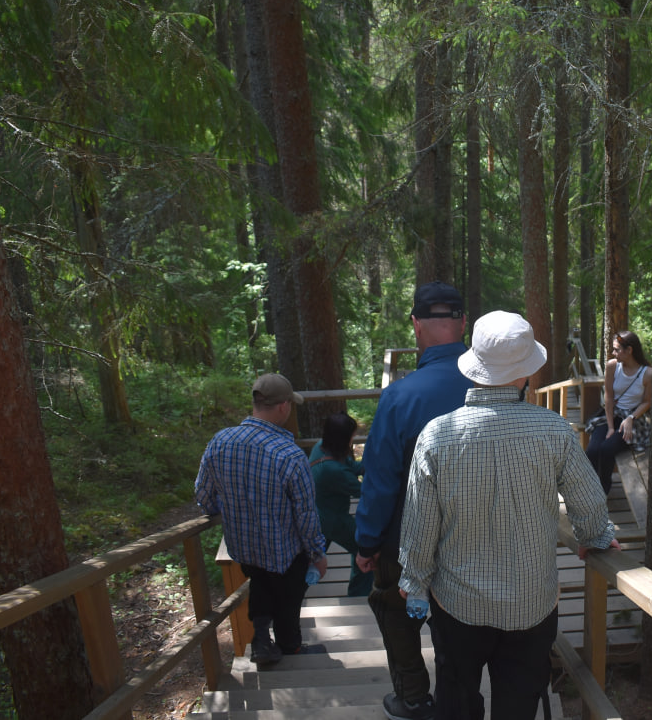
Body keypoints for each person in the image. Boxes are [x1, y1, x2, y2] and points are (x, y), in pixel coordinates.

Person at [398, 310, 620, 720]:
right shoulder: (554, 431)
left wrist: (413, 581)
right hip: (531, 603)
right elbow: (588, 504)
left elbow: (419, 524)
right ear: (526, 374)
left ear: (474, 368)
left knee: (456, 697)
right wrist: (596, 538)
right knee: (518, 703)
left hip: (457, 603)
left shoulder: (437, 435)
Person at [356, 281, 474, 720]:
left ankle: (413, 697)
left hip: (404, 541)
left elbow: (381, 482)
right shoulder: (497, 388)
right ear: (464, 324)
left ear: (416, 326)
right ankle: (457, 700)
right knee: (458, 623)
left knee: (393, 606)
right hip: (473, 537)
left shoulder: (399, 396)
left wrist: (366, 543)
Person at [195, 373, 328, 666]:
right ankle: (290, 645)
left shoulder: (220, 441)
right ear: (283, 406)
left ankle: (261, 638)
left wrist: (225, 509)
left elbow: (203, 494)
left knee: (260, 579)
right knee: (290, 592)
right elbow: (305, 514)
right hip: (284, 549)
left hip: (243, 546)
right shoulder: (289, 454)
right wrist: (317, 553)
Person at [310, 412, 372, 597]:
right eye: (351, 435)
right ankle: (358, 594)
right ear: (342, 438)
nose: (353, 438)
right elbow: (363, 492)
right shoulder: (332, 471)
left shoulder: (321, 447)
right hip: (332, 519)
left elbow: (350, 467)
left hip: (318, 515)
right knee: (364, 548)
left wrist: (367, 464)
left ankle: (296, 588)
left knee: (313, 557)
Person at [584, 330, 652, 494]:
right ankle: (590, 490)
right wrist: (610, 427)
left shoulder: (648, 373)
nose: (613, 353)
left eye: (616, 349)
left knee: (607, 449)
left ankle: (603, 492)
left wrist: (631, 417)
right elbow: (608, 397)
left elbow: (647, 401)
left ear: (629, 350)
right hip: (610, 415)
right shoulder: (612, 366)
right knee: (593, 450)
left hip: (633, 420)